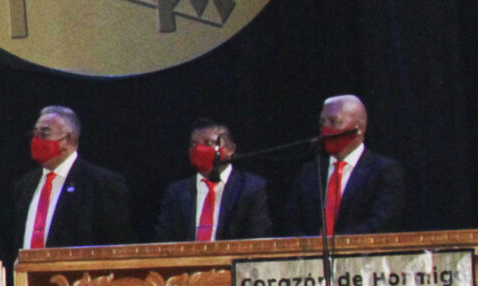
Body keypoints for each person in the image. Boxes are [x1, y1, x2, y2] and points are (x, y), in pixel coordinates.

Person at [4, 107, 134, 258]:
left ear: (69, 139)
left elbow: (117, 248)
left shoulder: (101, 183)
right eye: (34, 134)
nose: (36, 140)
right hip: (24, 279)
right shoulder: (24, 186)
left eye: (44, 133)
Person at [281, 95, 409, 238]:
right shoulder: (309, 172)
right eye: (322, 122)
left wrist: (336, 242)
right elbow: (290, 222)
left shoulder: (384, 171)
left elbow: (382, 223)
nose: (326, 129)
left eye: (334, 122)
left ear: (358, 128)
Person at [153, 122, 273, 243]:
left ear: (230, 149)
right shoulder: (176, 192)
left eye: (209, 143)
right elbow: (163, 240)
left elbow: (259, 239)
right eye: (193, 144)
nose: (199, 149)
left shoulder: (250, 187)